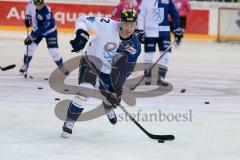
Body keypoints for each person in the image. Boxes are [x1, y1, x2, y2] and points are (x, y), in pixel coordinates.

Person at [60, 8, 141, 138]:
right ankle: (69, 123)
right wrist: (82, 34)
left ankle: (107, 106)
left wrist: (116, 89)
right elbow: (82, 19)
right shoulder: (107, 25)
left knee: (112, 98)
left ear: (136, 25)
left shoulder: (135, 46)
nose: (129, 28)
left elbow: (126, 70)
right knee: (84, 92)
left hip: (110, 71)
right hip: (92, 61)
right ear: (120, 22)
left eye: (132, 25)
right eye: (126, 24)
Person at [137, 0, 184, 86]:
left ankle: (161, 77)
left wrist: (177, 26)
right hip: (149, 32)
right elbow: (141, 16)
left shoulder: (167, 1)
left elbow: (175, 13)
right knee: (148, 56)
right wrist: (140, 30)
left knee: (166, 55)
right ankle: (147, 76)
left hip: (164, 32)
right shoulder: (145, 1)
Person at [19, 0, 69, 75]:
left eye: (41, 5)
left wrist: (32, 37)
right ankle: (25, 64)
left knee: (53, 50)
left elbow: (43, 28)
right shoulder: (31, 3)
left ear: (43, 3)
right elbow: (28, 11)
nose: (39, 7)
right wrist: (27, 18)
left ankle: (61, 66)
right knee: (30, 48)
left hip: (50, 32)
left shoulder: (47, 12)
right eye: (37, 5)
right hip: (36, 29)